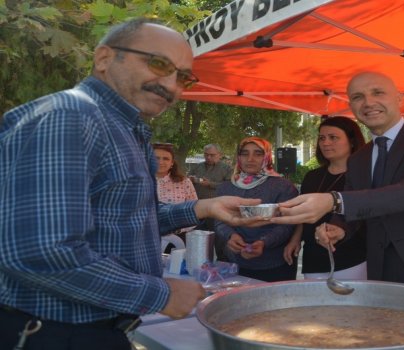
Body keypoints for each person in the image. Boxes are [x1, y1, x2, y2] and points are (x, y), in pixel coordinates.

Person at [0, 18, 263, 350]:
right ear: (105, 58)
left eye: (183, 77)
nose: (171, 84)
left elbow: (122, 216)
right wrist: (161, 293)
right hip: (54, 333)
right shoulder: (71, 116)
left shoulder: (122, 126)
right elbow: (39, 252)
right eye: (158, 63)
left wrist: (202, 207)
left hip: (99, 329)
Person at [272, 71, 404, 296]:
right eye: (357, 97)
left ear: (399, 98)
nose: (368, 102)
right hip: (383, 270)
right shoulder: (358, 159)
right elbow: (354, 210)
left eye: (378, 93)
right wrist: (339, 227)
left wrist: (333, 201)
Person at [283, 116, 368, 280]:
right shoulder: (312, 176)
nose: (325, 143)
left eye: (333, 137)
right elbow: (304, 215)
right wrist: (295, 240)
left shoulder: (364, 176)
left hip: (351, 257)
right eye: (322, 138)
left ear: (351, 141)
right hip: (313, 258)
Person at [215, 137, 299, 282]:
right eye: (245, 153)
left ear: (267, 156)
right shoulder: (226, 187)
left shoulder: (283, 186)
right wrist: (230, 236)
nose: (250, 159)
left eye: (258, 153)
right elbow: (219, 220)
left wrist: (263, 242)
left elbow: (287, 224)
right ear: (238, 157)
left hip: (275, 265)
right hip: (234, 264)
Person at [153, 142, 198, 245]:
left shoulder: (184, 182)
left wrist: (178, 229)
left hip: (176, 238)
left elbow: (194, 210)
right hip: (143, 238)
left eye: (166, 158)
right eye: (156, 158)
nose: (160, 162)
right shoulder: (137, 182)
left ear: (172, 163)